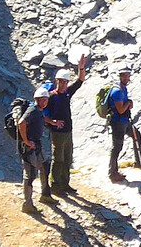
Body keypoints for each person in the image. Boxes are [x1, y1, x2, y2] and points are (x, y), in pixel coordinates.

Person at [45, 53, 88, 196]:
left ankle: (64, 183)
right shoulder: (51, 96)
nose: (63, 84)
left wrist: (81, 68)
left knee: (67, 159)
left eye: (65, 82)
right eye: (61, 81)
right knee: (58, 159)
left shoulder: (67, 93)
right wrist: (52, 122)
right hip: (57, 133)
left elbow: (80, 81)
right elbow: (41, 113)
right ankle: (55, 186)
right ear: (57, 81)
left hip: (68, 131)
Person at [18, 84, 52, 211]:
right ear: (36, 99)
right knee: (30, 174)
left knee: (45, 165)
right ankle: (27, 204)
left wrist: (52, 122)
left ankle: (45, 194)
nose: (43, 102)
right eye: (41, 100)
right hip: (29, 147)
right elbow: (21, 123)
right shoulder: (32, 110)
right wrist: (26, 141)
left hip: (36, 144)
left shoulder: (39, 111)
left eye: (45, 100)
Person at [107, 65, 134, 182]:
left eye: (128, 76)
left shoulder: (123, 88)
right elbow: (121, 109)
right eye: (125, 76)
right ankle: (113, 173)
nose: (127, 78)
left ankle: (139, 162)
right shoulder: (117, 91)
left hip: (124, 122)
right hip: (118, 123)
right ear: (121, 76)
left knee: (136, 135)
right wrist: (128, 103)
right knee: (117, 147)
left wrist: (128, 103)